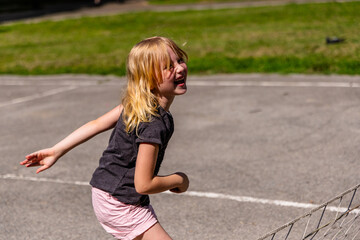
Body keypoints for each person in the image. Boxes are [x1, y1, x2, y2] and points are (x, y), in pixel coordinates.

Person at [20, 36, 190, 240]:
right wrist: (179, 179)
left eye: (179, 60)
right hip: (120, 202)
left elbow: (96, 124)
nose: (179, 68)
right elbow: (144, 184)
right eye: (168, 66)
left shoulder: (137, 104)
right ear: (149, 78)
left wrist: (57, 150)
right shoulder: (152, 123)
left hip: (108, 192)